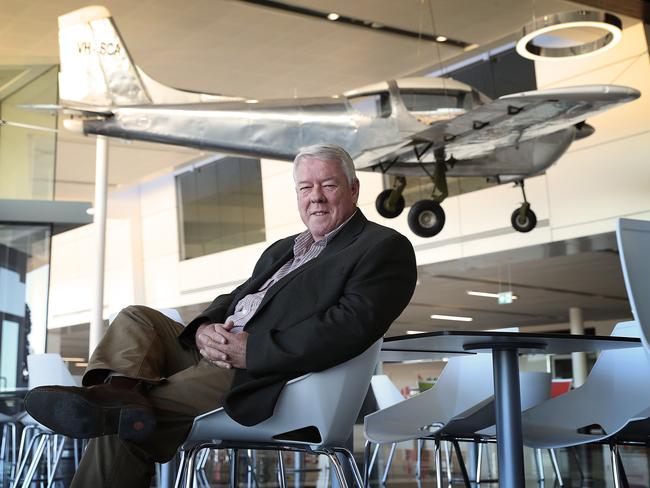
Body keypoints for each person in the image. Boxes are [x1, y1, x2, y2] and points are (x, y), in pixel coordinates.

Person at [26, 143, 417, 487]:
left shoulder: (382, 247)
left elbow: (348, 328)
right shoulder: (285, 248)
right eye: (305, 187)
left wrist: (254, 351)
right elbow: (237, 296)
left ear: (353, 189)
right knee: (136, 318)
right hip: (218, 351)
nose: (315, 197)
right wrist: (202, 330)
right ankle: (119, 391)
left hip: (263, 374)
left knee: (125, 422)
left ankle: (118, 402)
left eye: (328, 185)